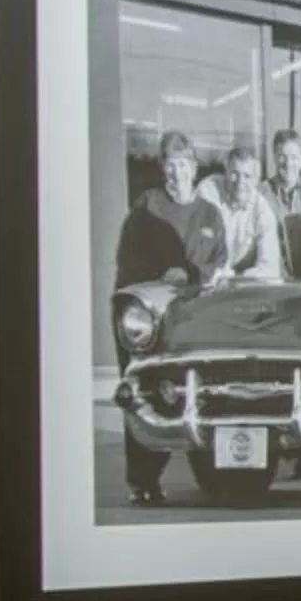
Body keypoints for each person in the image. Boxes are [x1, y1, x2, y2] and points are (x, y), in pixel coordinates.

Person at [112, 132, 225, 505]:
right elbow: (127, 262)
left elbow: (219, 261)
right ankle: (143, 480)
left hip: (197, 320)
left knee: (204, 391)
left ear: (194, 168)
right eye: (171, 165)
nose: (177, 172)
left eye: (184, 164)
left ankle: (213, 473)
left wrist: (198, 275)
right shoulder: (147, 207)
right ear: (163, 168)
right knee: (151, 395)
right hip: (153, 320)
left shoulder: (209, 213)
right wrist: (165, 273)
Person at [202, 144, 289, 282]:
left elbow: (270, 268)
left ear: (256, 181)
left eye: (247, 176)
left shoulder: (262, 210)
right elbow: (202, 252)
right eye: (235, 173)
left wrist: (240, 280)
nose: (240, 182)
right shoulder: (208, 192)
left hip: (235, 279)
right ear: (226, 172)